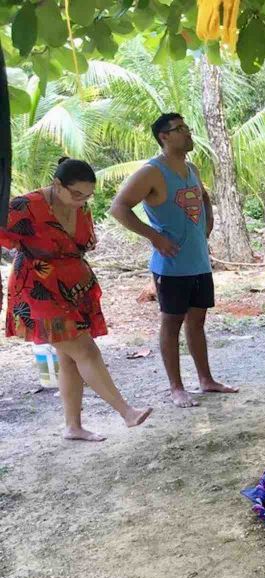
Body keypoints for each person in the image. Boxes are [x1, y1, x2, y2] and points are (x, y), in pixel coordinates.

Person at [1, 159, 152, 441]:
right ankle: (126, 412)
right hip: (38, 289)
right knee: (86, 351)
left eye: (87, 196)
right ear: (57, 185)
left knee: (69, 359)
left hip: (74, 288)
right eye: (76, 194)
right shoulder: (25, 205)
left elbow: (85, 243)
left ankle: (73, 427)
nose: (82, 201)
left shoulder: (80, 206)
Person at [110, 113, 237, 406]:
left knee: (198, 321)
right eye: (179, 129)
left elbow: (203, 197)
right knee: (171, 322)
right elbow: (119, 207)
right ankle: (176, 387)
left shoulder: (190, 168)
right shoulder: (152, 172)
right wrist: (154, 237)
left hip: (198, 261)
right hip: (171, 265)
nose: (187, 133)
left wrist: (209, 221)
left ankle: (206, 380)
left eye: (187, 127)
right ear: (164, 137)